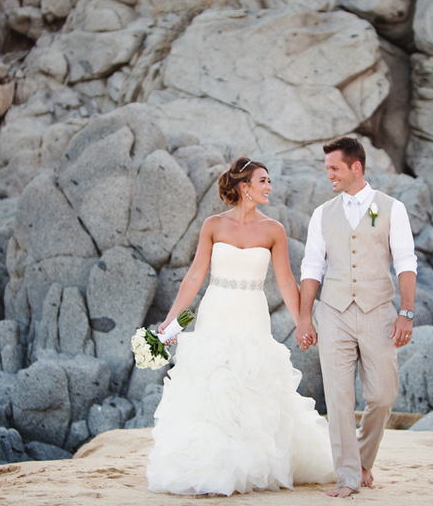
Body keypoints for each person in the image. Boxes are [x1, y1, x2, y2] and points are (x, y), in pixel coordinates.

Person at [146, 157, 336, 496]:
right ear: (244, 186)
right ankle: (211, 468)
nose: (269, 187)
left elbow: (286, 281)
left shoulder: (274, 230)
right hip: (216, 313)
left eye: (269, 180)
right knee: (212, 386)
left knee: (252, 383)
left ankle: (250, 468)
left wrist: (302, 323)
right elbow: (194, 276)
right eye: (263, 181)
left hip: (252, 315)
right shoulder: (213, 225)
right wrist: (171, 320)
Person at [297, 136, 417, 499]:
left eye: (334, 168)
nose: (329, 175)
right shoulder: (322, 213)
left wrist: (406, 313)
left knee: (382, 395)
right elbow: (312, 266)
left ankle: (363, 459)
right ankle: (348, 476)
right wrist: (305, 317)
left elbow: (406, 262)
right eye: (327, 169)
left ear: (356, 167)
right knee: (338, 398)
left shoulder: (392, 208)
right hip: (333, 312)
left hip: (379, 312)